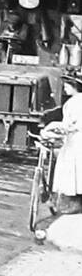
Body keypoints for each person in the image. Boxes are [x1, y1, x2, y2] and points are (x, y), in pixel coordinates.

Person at [51, 77, 82, 216]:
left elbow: (69, 125)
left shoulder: (73, 102)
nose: (64, 89)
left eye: (67, 86)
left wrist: (54, 128)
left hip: (76, 139)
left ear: (75, 86)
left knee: (71, 168)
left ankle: (73, 204)